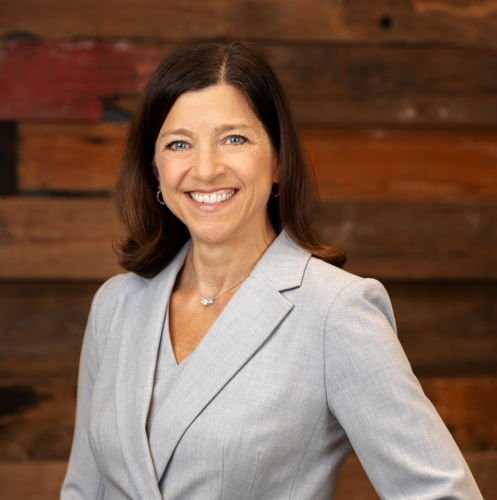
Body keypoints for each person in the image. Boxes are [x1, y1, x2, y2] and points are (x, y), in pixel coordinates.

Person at [61, 41, 482, 500]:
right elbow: (85, 490)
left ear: (278, 160)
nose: (205, 169)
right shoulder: (116, 306)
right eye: (179, 144)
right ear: (155, 169)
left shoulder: (335, 311)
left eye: (234, 139)